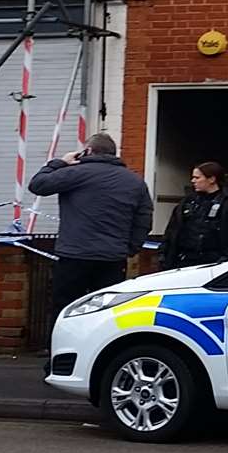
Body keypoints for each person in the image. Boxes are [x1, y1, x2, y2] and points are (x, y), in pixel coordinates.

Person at [27, 133, 154, 317]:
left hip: (74, 255)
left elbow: (37, 185)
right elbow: (144, 219)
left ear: (87, 151)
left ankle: (62, 345)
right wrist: (130, 248)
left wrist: (60, 163)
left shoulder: (74, 173)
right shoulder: (135, 181)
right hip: (112, 258)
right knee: (106, 311)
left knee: (66, 309)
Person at [161, 160, 228, 271]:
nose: (193, 181)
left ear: (212, 179)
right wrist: (165, 256)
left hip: (216, 262)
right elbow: (172, 231)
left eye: (197, 178)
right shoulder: (188, 202)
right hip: (184, 261)